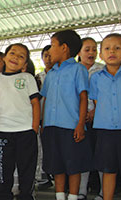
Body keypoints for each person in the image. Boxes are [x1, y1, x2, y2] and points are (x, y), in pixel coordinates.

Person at [40, 30, 92, 200]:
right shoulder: (51, 73)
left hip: (71, 126)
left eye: (53, 45)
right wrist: (42, 124)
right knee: (57, 165)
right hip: (51, 126)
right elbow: (45, 99)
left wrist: (80, 124)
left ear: (64, 48)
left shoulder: (78, 69)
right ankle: (60, 196)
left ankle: (73, 196)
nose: (49, 51)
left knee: (73, 165)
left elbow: (83, 97)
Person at [0, 43, 40, 200]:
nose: (15, 57)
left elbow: (35, 104)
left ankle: (26, 196)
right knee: (2, 172)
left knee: (27, 170)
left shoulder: (28, 78)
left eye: (21, 56)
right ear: (4, 57)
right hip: (2, 133)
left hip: (26, 133)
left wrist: (34, 129)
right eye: (12, 53)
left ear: (25, 64)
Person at [89, 33, 121, 200]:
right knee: (108, 170)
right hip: (105, 130)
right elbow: (96, 101)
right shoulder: (95, 78)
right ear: (101, 55)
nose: (112, 51)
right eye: (107, 48)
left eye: (117, 48)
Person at [77, 37, 104, 200]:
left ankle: (103, 191)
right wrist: (82, 116)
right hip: (79, 120)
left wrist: (94, 111)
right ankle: (81, 190)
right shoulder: (74, 69)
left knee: (101, 155)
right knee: (82, 155)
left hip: (101, 119)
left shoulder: (103, 69)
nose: (91, 53)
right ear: (79, 52)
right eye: (87, 49)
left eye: (94, 49)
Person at [35, 45, 54, 191]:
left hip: (57, 118)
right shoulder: (37, 77)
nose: (48, 58)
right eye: (45, 55)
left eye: (50, 55)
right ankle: (46, 176)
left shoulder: (60, 74)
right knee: (43, 148)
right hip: (42, 117)